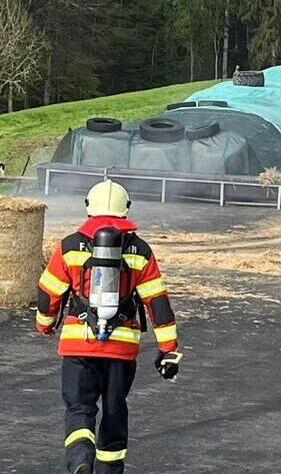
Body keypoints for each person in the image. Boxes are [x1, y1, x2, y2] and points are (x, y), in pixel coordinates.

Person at [36, 180, 181, 474]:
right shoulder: (140, 250)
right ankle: (109, 470)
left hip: (79, 345)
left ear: (89, 206)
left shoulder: (69, 246)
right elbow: (157, 303)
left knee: (79, 408)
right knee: (115, 409)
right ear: (125, 209)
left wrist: (45, 324)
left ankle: (80, 459)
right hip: (121, 350)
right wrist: (168, 350)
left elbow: (48, 293)